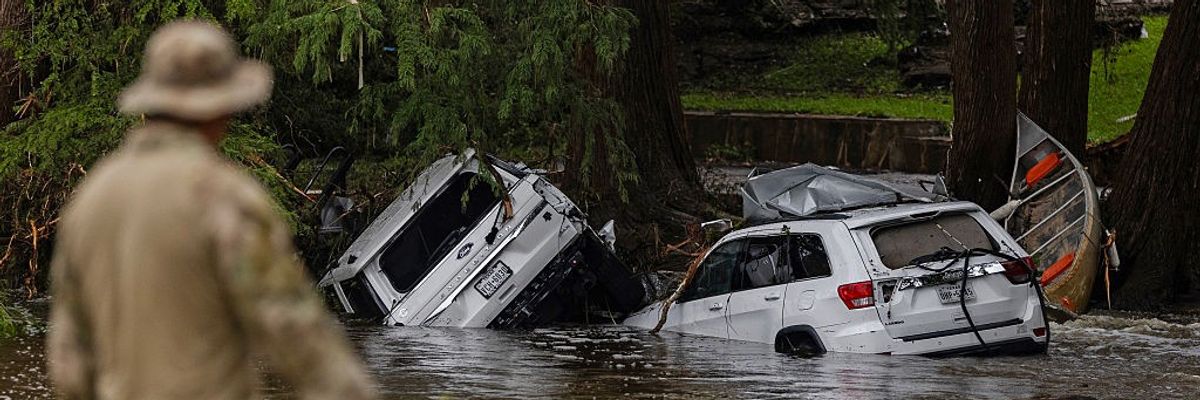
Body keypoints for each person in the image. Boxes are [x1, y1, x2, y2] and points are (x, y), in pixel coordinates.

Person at [46, 20, 376, 399]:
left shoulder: (91, 198)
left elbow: (69, 362)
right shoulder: (222, 196)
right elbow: (296, 333)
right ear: (220, 109)